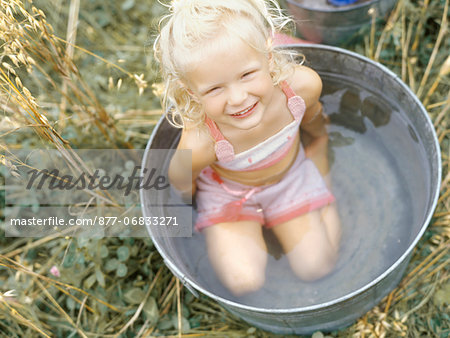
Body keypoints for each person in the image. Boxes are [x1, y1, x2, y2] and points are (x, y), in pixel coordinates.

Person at [154, 0, 341, 296]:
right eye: (215, 89)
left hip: (289, 178)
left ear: (268, 56)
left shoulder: (300, 88)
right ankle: (251, 226)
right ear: (192, 92)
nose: (238, 98)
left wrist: (319, 148)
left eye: (247, 74)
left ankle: (316, 199)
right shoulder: (203, 140)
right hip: (228, 193)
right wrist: (197, 204)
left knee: (317, 266)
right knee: (244, 282)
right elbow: (180, 180)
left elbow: (315, 119)